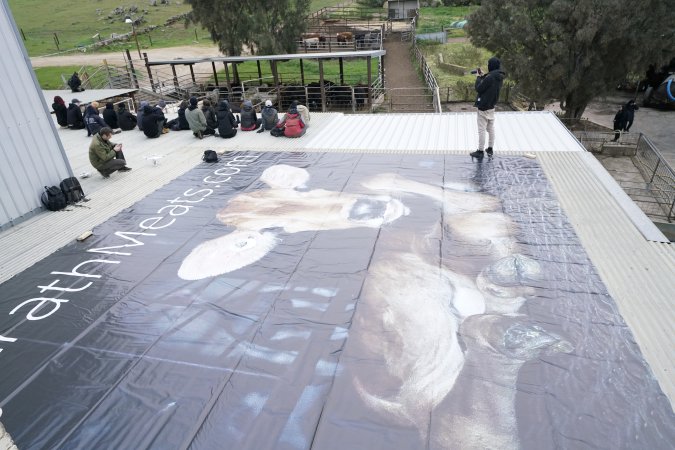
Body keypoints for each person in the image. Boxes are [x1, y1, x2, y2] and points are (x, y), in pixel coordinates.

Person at [470, 56, 506, 161]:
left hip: (484, 106)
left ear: (491, 66)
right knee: (490, 128)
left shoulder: (490, 77)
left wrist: (478, 77)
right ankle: (490, 148)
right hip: (491, 106)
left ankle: (480, 151)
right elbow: (490, 84)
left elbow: (479, 88)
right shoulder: (499, 76)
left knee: (481, 130)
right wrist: (483, 76)